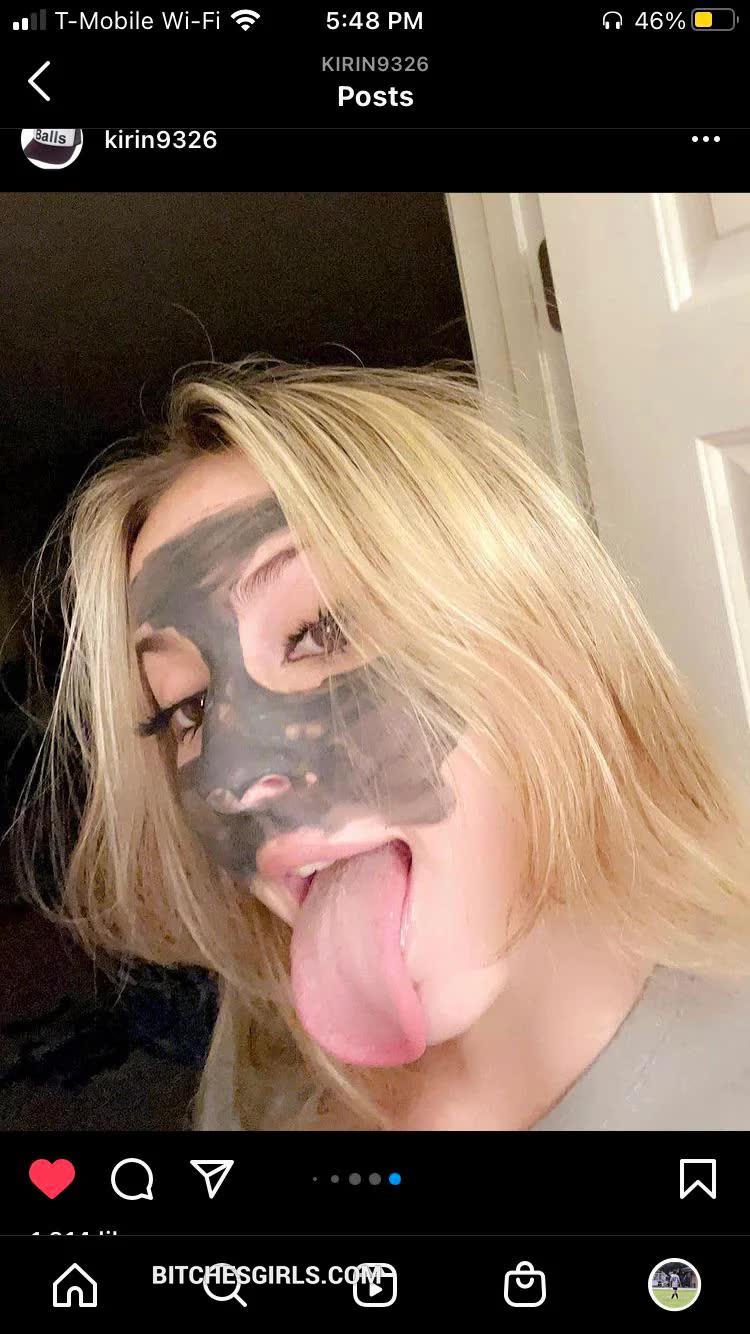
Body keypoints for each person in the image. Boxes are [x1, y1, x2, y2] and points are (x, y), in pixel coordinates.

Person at [23, 359, 750, 1131]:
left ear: (556, 641)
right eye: (188, 708)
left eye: (322, 630)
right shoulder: (266, 1054)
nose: (232, 775)